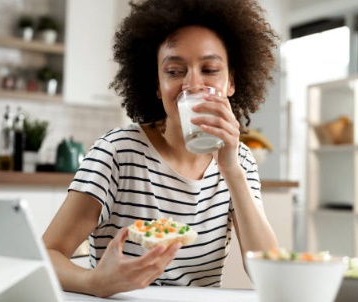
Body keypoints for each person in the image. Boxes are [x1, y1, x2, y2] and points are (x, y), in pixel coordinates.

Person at [43, 0, 279, 297]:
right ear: (156, 84)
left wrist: (231, 170)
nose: (192, 84)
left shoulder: (240, 161)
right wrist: (94, 283)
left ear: (231, 81)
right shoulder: (116, 152)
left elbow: (270, 275)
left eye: (209, 69)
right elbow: (48, 253)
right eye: (174, 71)